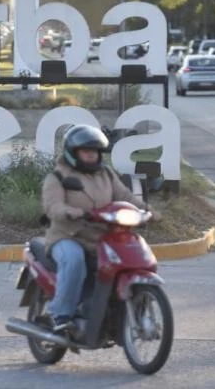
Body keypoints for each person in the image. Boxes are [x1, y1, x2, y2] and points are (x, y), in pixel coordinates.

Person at [42, 124, 159, 334]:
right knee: (74, 259)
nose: (91, 155)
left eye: (95, 151)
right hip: (68, 236)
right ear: (72, 153)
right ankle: (60, 315)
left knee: (129, 258)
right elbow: (53, 206)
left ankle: (112, 310)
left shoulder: (106, 174)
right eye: (86, 151)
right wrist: (70, 212)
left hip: (102, 237)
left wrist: (146, 209)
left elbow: (125, 196)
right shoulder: (58, 177)